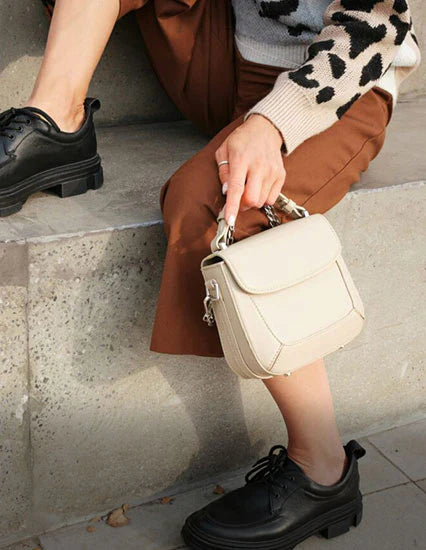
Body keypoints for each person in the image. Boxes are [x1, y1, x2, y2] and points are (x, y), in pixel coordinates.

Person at [0, 1, 420, 548]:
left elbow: (377, 25)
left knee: (219, 206)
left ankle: (324, 469)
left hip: (336, 82)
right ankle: (57, 121)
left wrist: (273, 123)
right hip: (222, 55)